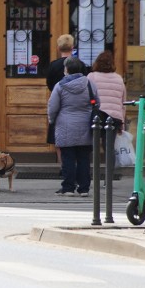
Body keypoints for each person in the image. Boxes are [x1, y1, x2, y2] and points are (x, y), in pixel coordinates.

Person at [48, 56, 96, 197]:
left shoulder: (60, 85)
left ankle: (68, 187)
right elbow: (96, 102)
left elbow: (53, 107)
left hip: (65, 124)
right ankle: (84, 188)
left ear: (66, 69)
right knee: (84, 157)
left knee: (68, 157)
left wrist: (52, 120)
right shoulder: (89, 84)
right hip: (85, 124)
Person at [87, 50, 126, 174]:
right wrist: (122, 123)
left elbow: (87, 97)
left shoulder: (91, 77)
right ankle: (109, 178)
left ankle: (91, 174)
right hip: (114, 117)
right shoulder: (119, 78)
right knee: (109, 148)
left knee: (91, 146)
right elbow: (123, 102)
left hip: (97, 115)